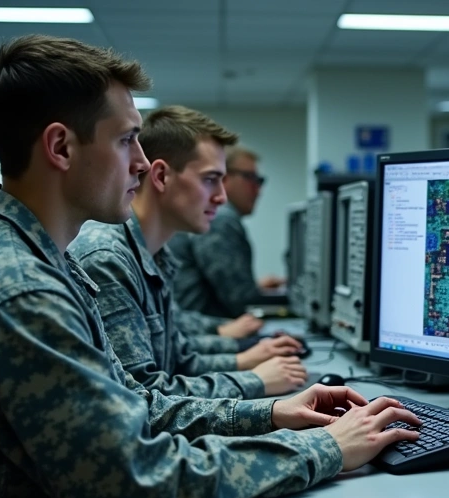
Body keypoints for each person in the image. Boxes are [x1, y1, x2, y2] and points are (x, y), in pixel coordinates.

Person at [0, 34, 420, 498]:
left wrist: (271, 413)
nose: (144, 163)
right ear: (60, 148)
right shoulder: (19, 291)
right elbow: (144, 489)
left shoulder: (42, 262)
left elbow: (136, 405)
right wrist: (326, 449)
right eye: (127, 141)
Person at [70, 104, 306, 398]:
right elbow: (144, 397)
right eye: (209, 179)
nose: (221, 197)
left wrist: (243, 360)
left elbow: (179, 359)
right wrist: (253, 380)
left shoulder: (155, 255)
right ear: (161, 177)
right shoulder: (108, 259)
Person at [169, 145, 284, 318]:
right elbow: (239, 300)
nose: (258, 190)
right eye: (251, 178)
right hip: (205, 332)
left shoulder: (211, 214)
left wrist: (257, 288)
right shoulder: (220, 218)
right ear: (224, 178)